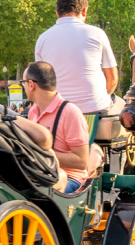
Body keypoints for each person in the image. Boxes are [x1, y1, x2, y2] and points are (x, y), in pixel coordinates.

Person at [34, 0, 119, 115]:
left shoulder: (42, 39)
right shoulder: (97, 34)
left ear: (57, 14)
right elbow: (112, 78)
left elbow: (40, 82)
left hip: (58, 111)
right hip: (95, 108)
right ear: (84, 11)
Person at [21, 62, 93, 194]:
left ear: (31, 85)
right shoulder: (33, 111)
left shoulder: (70, 112)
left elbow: (83, 162)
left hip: (70, 178)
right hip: (42, 174)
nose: (24, 87)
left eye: (23, 83)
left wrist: (42, 155)